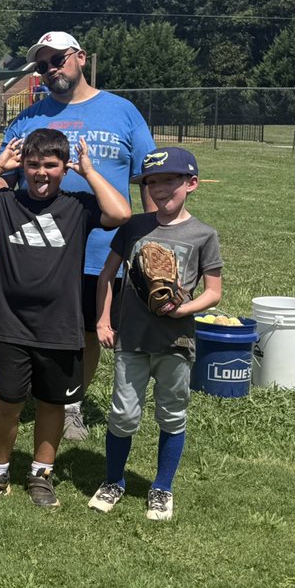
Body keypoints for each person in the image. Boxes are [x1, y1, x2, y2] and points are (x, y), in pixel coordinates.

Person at [0, 31, 156, 441]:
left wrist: (148, 236)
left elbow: (147, 175)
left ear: (81, 58)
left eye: (57, 59)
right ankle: (7, 393)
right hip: (34, 248)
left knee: (88, 330)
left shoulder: (122, 112)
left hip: (99, 248)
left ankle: (69, 402)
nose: (51, 69)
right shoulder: (29, 118)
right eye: (42, 65)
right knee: (20, 322)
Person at [0, 130, 130, 508]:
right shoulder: (4, 203)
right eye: (33, 165)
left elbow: (120, 213)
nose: (41, 173)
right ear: (23, 166)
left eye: (50, 165)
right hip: (11, 322)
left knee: (52, 403)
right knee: (7, 399)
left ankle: (40, 473)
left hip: (61, 324)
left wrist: (90, 173)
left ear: (64, 168)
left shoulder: (78, 206)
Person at [90, 147, 222, 521]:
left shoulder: (202, 234)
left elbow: (213, 291)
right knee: (123, 414)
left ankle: (162, 488)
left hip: (175, 341)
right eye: (151, 182)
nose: (160, 189)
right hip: (131, 337)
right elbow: (106, 275)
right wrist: (103, 320)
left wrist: (183, 309)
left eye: (169, 180)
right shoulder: (134, 227)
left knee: (172, 414)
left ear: (191, 183)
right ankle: (114, 481)